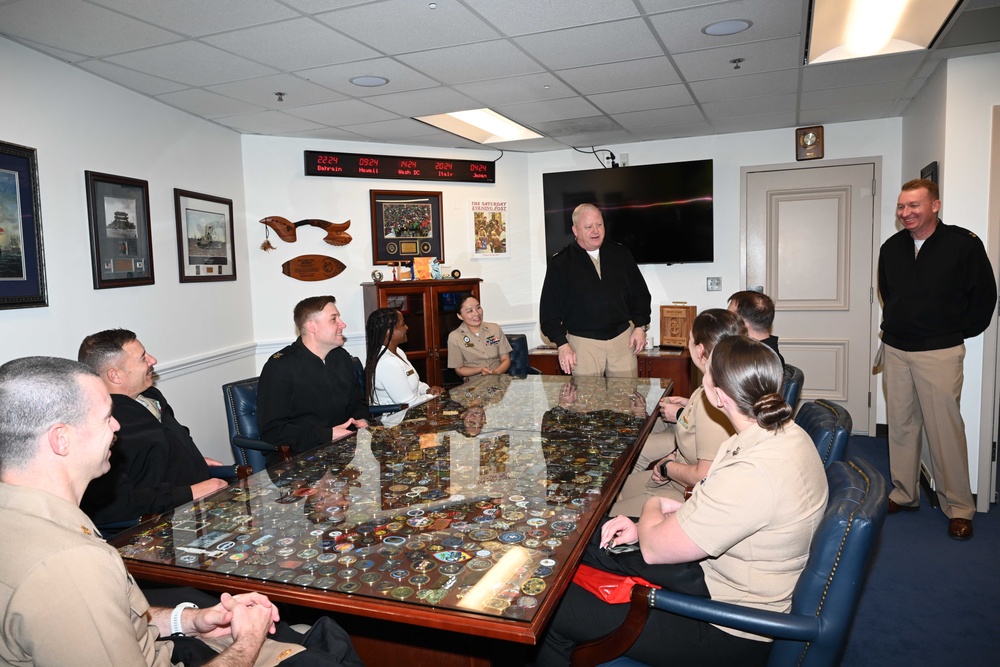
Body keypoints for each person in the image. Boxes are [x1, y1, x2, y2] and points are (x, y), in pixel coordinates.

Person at [0, 356, 363, 667]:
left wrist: (191, 619)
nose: (117, 426)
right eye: (105, 417)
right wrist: (247, 641)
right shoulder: (69, 565)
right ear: (60, 439)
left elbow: (119, 621)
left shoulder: (32, 519)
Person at [537, 336, 828, 666]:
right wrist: (666, 516)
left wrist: (654, 507)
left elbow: (654, 549)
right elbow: (731, 509)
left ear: (717, 396)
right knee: (580, 542)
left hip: (726, 627)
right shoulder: (781, 434)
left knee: (552, 606)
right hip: (726, 583)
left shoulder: (752, 470)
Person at [878, 178, 996, 540]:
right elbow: (888, 292)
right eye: (901, 206)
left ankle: (959, 507)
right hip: (897, 349)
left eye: (914, 205)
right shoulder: (892, 247)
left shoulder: (963, 245)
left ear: (935, 205)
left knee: (945, 430)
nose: (906, 213)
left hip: (939, 351)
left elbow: (984, 297)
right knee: (901, 425)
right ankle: (904, 492)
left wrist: (953, 331)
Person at [77, 329, 227, 526]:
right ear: (115, 375)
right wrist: (191, 492)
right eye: (142, 358)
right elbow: (114, 505)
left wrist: (189, 458)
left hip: (200, 506)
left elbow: (162, 444)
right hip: (162, 523)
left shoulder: (151, 398)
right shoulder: (100, 424)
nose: (153, 360)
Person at [611, 309, 745, 516]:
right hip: (677, 477)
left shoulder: (715, 399)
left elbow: (705, 473)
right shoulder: (721, 384)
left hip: (688, 494)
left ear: (700, 350)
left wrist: (668, 467)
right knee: (616, 490)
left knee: (607, 514)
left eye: (689, 340)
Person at [539, 203, 651, 377]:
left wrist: (640, 327)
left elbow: (641, 294)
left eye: (599, 225)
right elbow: (548, 312)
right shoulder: (560, 263)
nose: (595, 231)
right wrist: (562, 344)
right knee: (586, 402)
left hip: (622, 341)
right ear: (575, 230)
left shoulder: (621, 254)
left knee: (626, 400)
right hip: (582, 345)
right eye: (588, 227)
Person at [257, 296, 369, 459]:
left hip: (344, 454)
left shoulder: (341, 357)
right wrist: (327, 435)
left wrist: (362, 419)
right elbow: (273, 430)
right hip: (299, 459)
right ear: (312, 327)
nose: (342, 324)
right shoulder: (280, 367)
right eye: (333, 319)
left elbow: (357, 402)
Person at [364, 307, 443, 406]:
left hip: (411, 413)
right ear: (389, 331)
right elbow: (407, 403)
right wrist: (435, 396)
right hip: (395, 419)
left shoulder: (398, 352)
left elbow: (415, 384)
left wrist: (427, 390)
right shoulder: (387, 363)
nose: (406, 327)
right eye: (402, 324)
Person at [447, 294, 512, 377]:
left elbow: (506, 359)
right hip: (474, 385)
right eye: (470, 311)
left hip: (499, 379)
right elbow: (459, 370)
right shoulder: (455, 337)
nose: (477, 313)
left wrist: (494, 373)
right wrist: (480, 370)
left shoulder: (495, 329)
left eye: (478, 308)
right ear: (460, 316)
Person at [727, 290, 784, 365]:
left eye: (730, 316)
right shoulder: (771, 354)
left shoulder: (750, 361)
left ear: (743, 322)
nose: (727, 320)